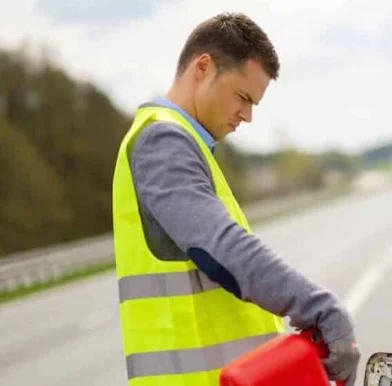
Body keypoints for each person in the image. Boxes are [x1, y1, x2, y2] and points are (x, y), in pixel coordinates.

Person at [111, 12, 359, 386]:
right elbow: (221, 247)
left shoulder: (185, 143)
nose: (248, 116)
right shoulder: (164, 143)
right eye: (243, 97)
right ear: (204, 67)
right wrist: (317, 306)